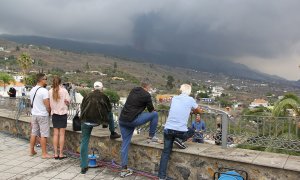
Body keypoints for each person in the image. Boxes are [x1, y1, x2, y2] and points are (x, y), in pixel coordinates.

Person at [158, 84, 202, 180]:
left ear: (181, 90)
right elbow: (199, 111)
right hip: (180, 132)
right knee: (192, 130)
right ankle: (178, 140)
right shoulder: (190, 100)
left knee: (165, 153)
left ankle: (161, 177)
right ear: (189, 92)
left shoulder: (174, 98)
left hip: (168, 129)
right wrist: (193, 112)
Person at [118, 80, 159, 178]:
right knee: (155, 115)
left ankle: (124, 169)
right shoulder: (147, 95)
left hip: (123, 120)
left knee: (125, 144)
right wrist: (153, 109)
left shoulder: (133, 90)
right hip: (133, 120)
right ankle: (151, 136)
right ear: (148, 86)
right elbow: (151, 110)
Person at [79, 81, 120, 174]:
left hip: (85, 121)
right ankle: (112, 132)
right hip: (97, 121)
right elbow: (109, 109)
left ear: (93, 88)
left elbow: (82, 107)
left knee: (84, 141)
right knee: (110, 114)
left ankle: (84, 166)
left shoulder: (87, 96)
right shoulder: (104, 97)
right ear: (101, 88)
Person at [29, 73, 51, 159]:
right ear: (41, 80)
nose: (46, 80)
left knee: (34, 132)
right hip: (42, 115)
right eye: (45, 79)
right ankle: (44, 153)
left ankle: (31, 151)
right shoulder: (44, 91)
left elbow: (31, 103)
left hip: (34, 114)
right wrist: (49, 112)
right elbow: (47, 105)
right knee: (44, 134)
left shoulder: (32, 90)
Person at [49, 76, 71, 159]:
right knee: (62, 135)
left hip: (54, 114)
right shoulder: (64, 91)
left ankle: (55, 153)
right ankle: (61, 154)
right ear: (60, 82)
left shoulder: (50, 91)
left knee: (55, 134)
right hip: (62, 114)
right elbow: (68, 102)